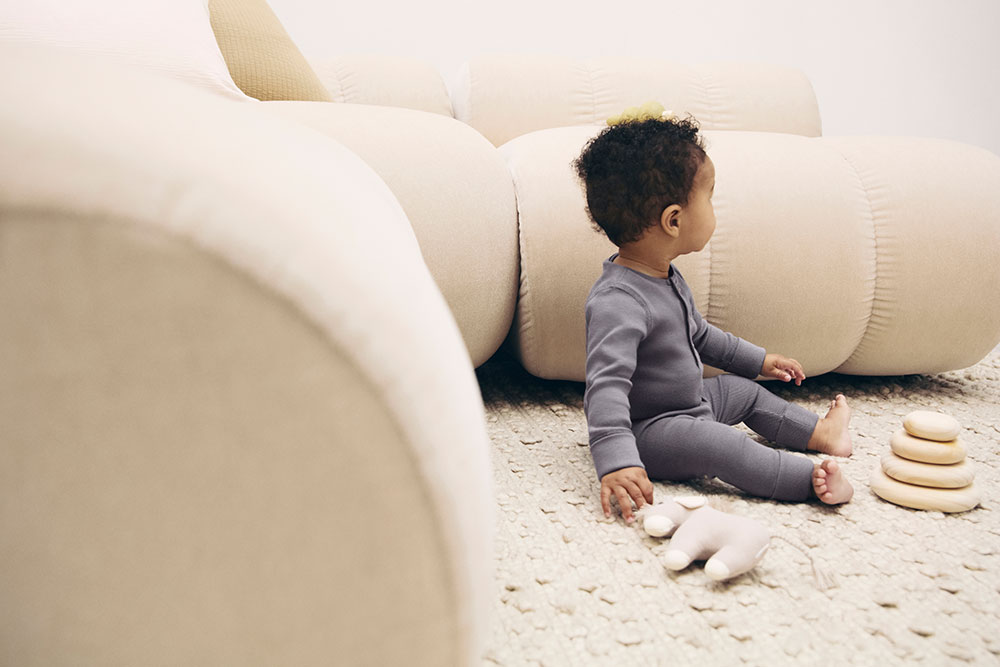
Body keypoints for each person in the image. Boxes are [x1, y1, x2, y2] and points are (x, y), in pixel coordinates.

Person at [574, 106, 854, 525]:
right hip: (652, 430)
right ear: (673, 220)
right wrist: (616, 459)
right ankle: (810, 480)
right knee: (721, 445)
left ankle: (821, 433)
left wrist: (760, 361)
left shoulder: (664, 276)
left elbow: (700, 336)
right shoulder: (618, 300)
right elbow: (606, 387)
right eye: (710, 196)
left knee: (744, 391)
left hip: (689, 403)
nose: (714, 207)